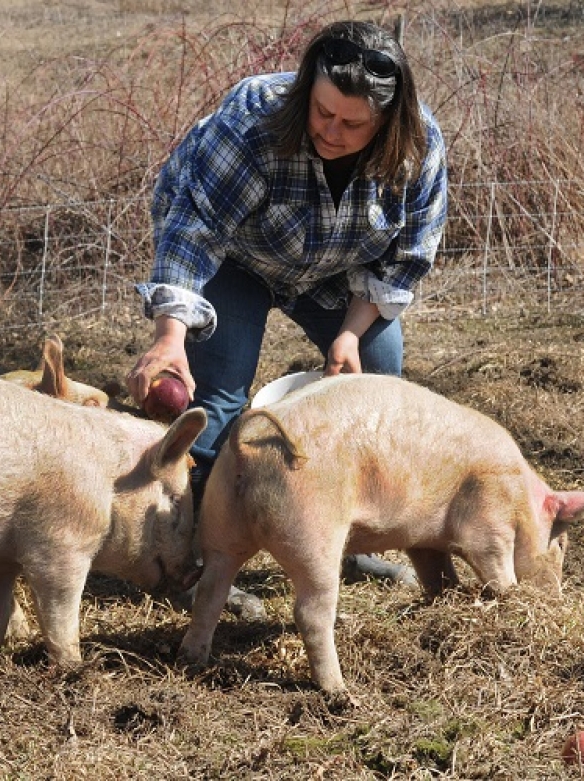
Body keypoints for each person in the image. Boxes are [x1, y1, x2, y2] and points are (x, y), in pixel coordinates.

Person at [127, 20, 447, 592]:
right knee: (217, 398)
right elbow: (195, 231)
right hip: (236, 259)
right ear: (307, 90)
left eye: (353, 123)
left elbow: (404, 259)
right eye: (322, 111)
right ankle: (188, 559)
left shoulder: (417, 149)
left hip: (335, 271)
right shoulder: (254, 120)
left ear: (387, 122)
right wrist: (171, 336)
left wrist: (349, 334)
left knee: (376, 382)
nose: (331, 130)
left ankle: (347, 542)